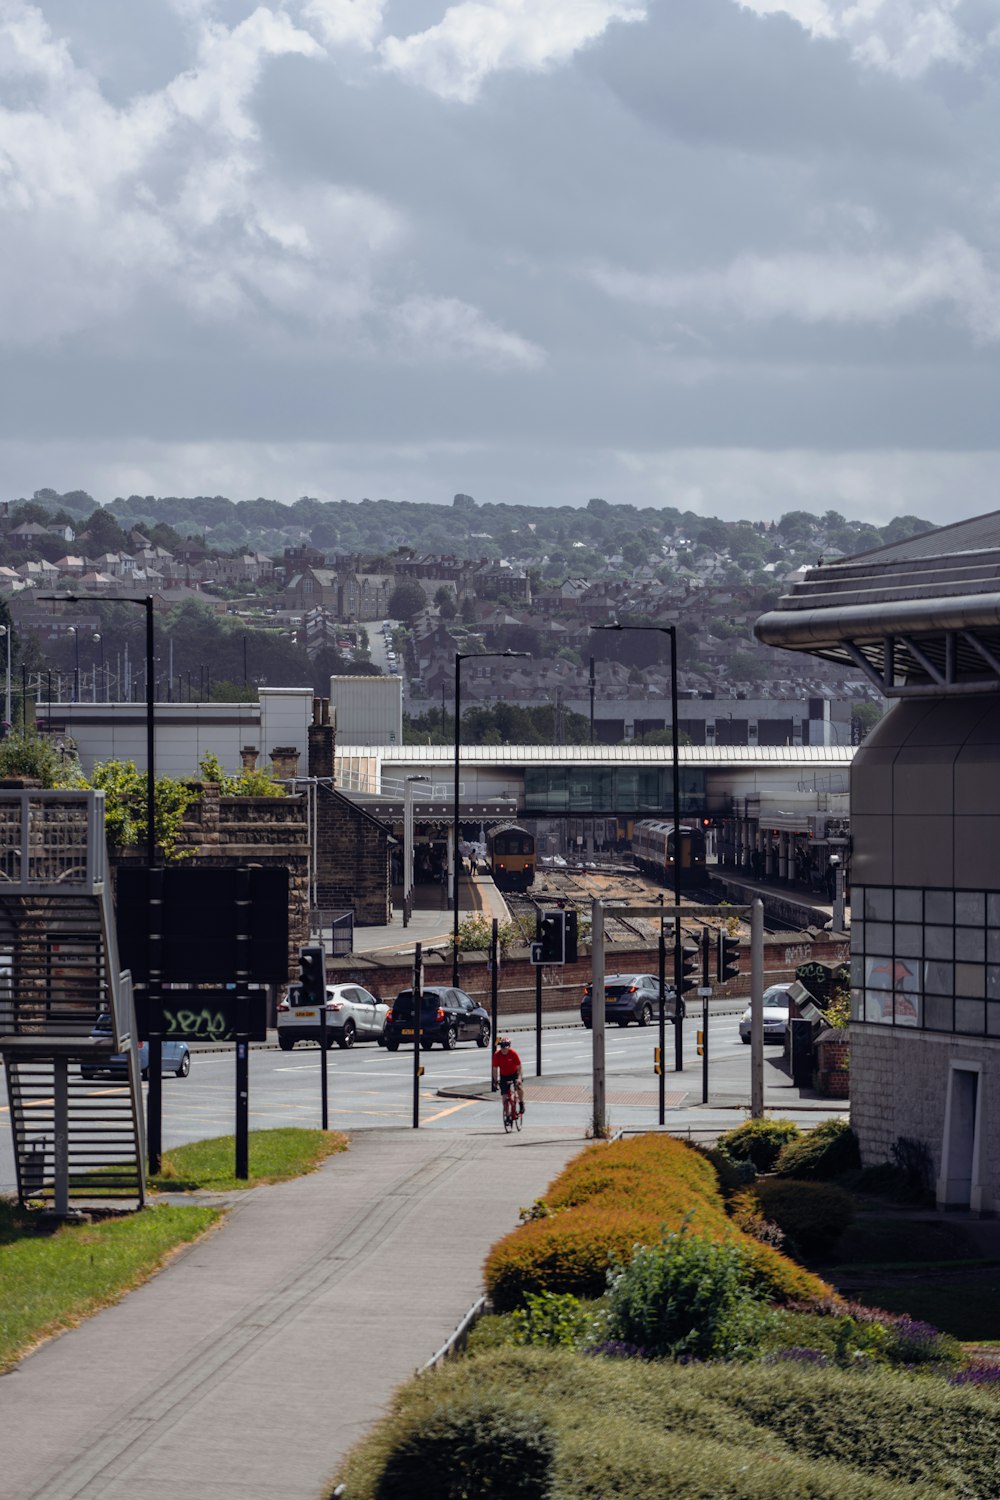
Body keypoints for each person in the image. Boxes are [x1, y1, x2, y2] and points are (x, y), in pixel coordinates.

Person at [491, 1035, 524, 1116]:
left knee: (519, 1087)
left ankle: (521, 1103)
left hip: (514, 1074)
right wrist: (495, 1081)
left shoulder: (513, 1053)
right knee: (504, 1095)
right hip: (504, 1075)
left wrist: (519, 1078)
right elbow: (495, 1069)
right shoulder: (497, 1055)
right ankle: (507, 1112)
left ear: (509, 1047)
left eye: (506, 1047)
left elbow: (519, 1067)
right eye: (502, 1047)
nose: (504, 1049)